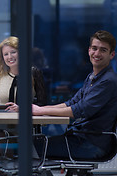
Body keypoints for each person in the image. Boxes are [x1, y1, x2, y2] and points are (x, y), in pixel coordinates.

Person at [33, 30, 117, 159]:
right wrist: (38, 109)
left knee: (28, 147)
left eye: (103, 50)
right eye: (94, 48)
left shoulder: (108, 80)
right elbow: (72, 103)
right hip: (79, 138)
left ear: (112, 55)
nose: (97, 53)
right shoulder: (92, 76)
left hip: (90, 144)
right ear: (89, 50)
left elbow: (80, 110)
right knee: (30, 145)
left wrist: (38, 111)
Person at [0, 36, 46, 112]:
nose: (10, 57)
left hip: (27, 122)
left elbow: (43, 104)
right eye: (6, 54)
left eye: (13, 52)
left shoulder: (34, 73)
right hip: (2, 121)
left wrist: (23, 109)